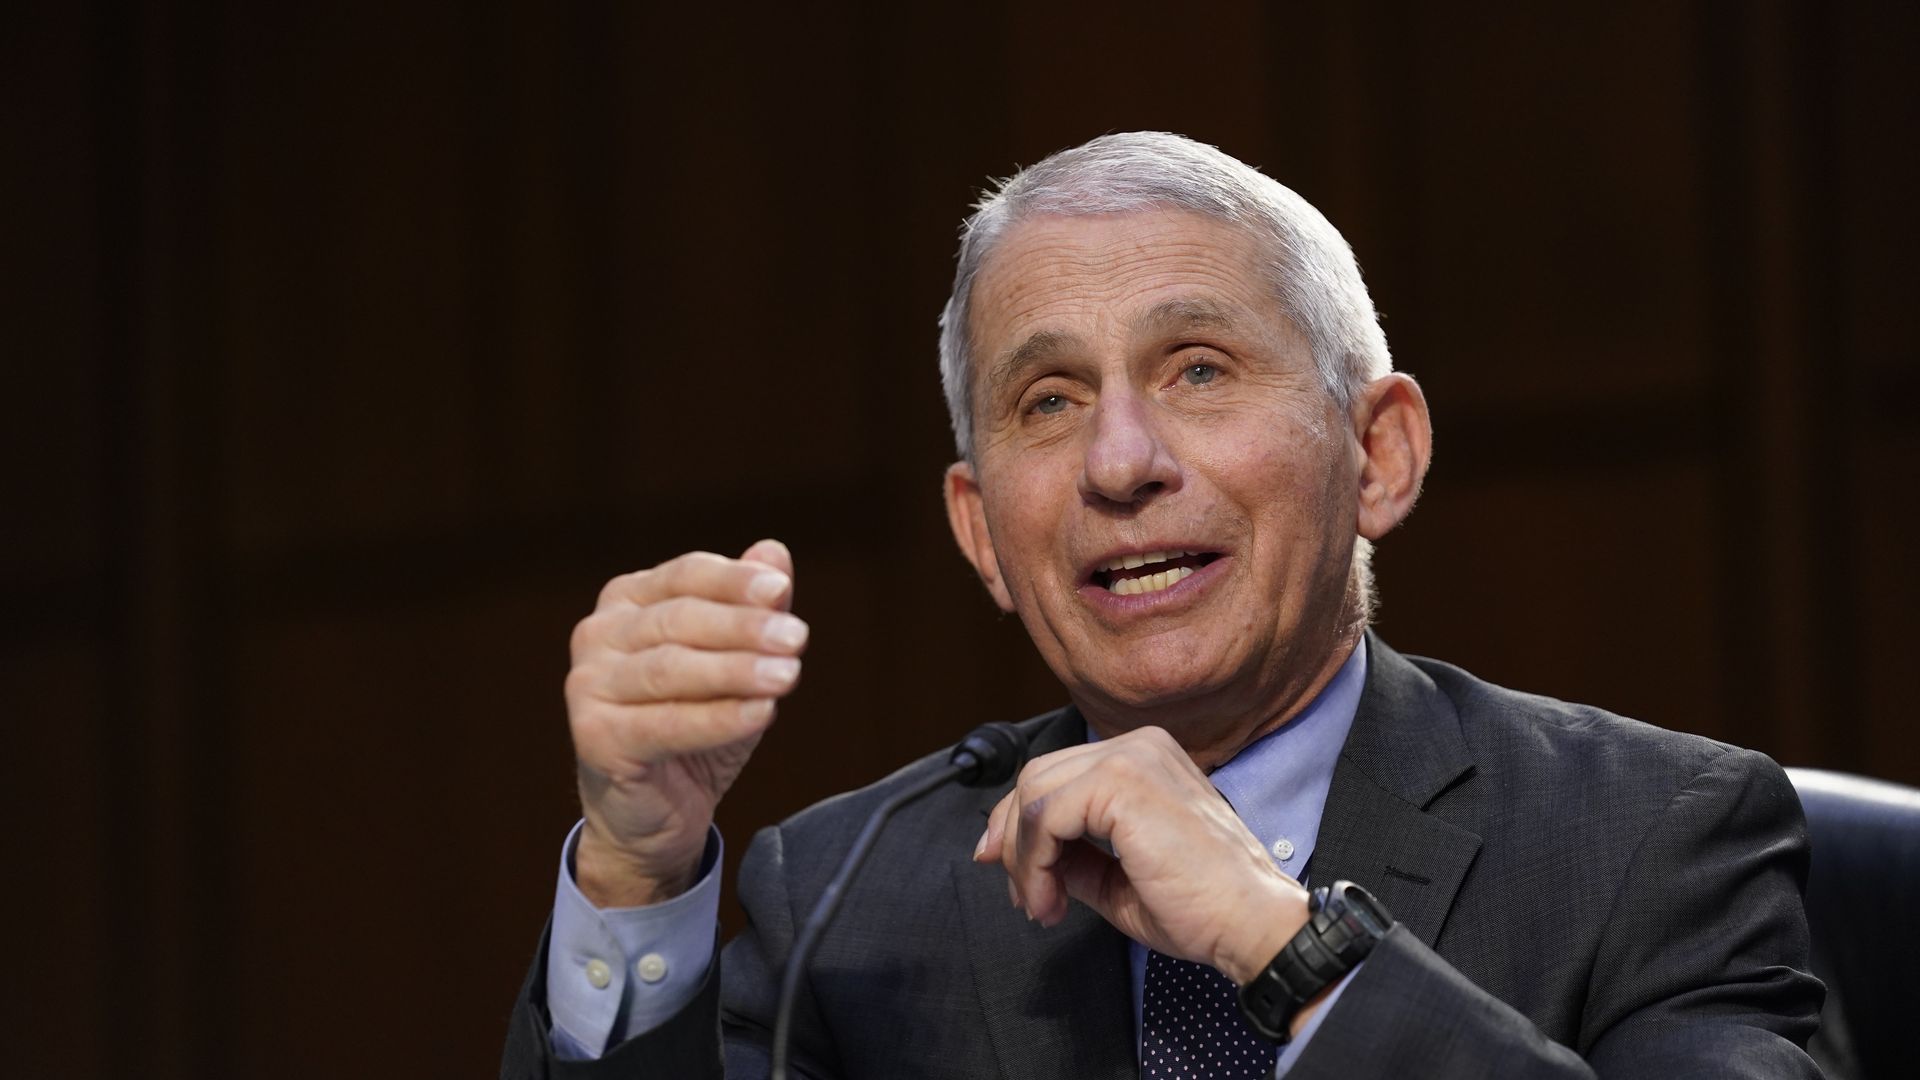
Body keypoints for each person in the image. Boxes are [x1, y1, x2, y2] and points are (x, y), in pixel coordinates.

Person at [501, 132, 1823, 1078]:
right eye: (1051, 401)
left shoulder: (1655, 838)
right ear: (982, 533)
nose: (1121, 463)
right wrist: (636, 870)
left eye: (1198, 371)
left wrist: (1282, 944)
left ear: (1380, 454)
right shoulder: (850, 900)